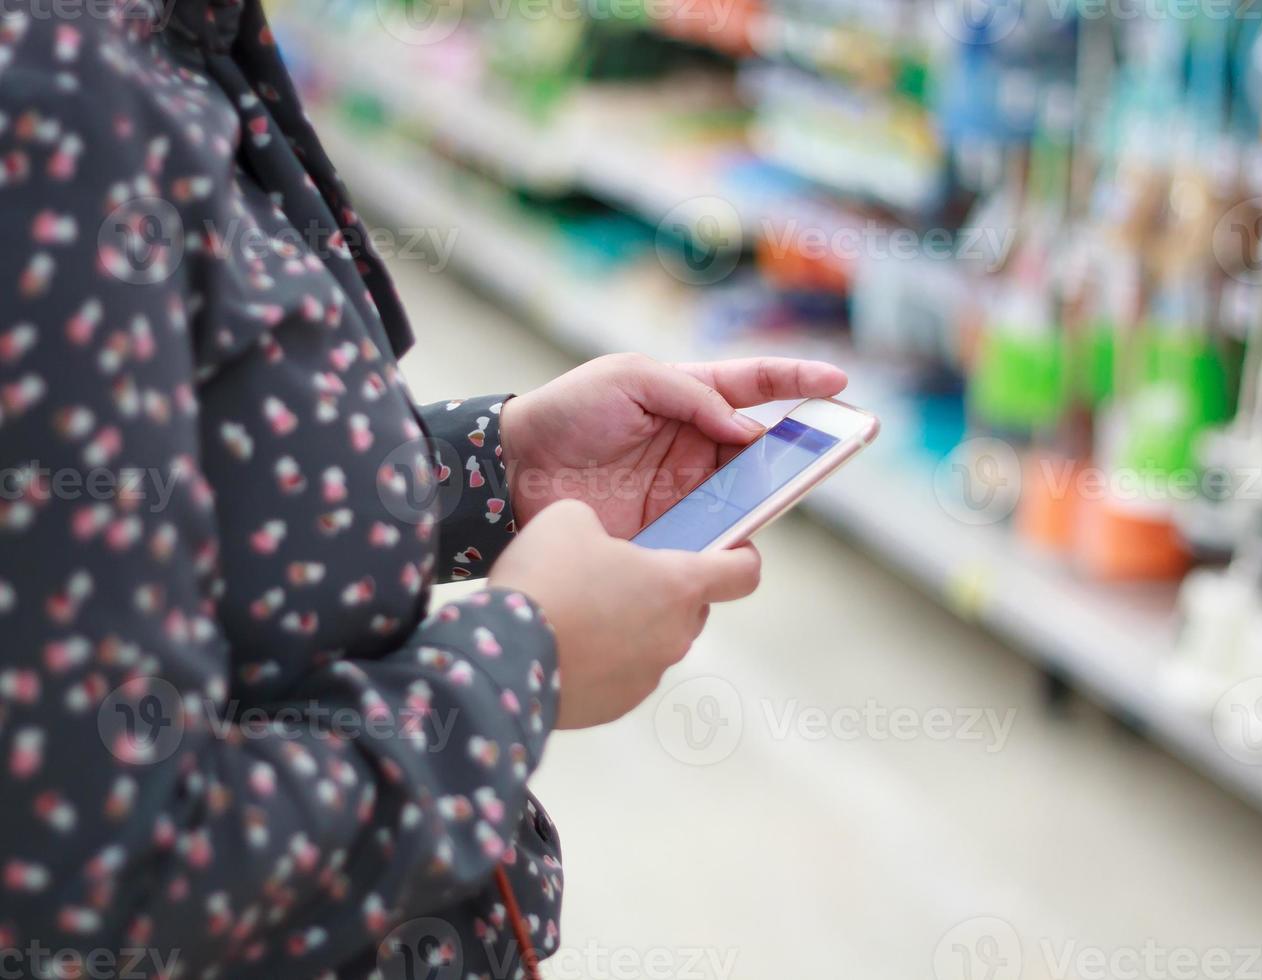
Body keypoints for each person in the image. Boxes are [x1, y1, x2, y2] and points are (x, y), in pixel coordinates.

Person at [0, 0, 848, 975]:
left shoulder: (145, 43)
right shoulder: (48, 99)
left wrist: (495, 468)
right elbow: (104, 881)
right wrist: (518, 659)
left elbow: (176, 480)